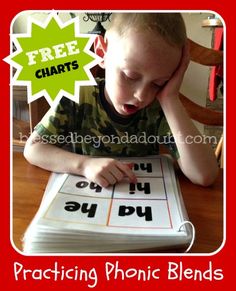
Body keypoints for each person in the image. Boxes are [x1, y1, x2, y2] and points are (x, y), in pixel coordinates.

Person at [24, 13, 219, 187]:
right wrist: (84, 165)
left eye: (159, 83)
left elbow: (205, 175)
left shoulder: (158, 107)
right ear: (102, 52)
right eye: (130, 76)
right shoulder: (77, 95)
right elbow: (33, 149)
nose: (142, 96)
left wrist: (170, 98)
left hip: (143, 205)